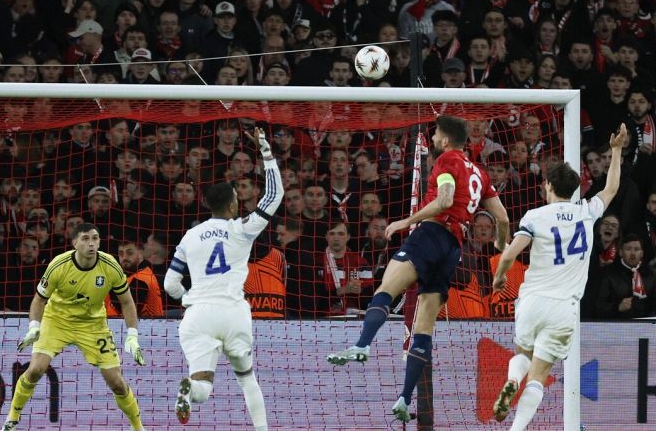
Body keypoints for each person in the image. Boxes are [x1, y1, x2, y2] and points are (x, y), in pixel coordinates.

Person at [327, 115, 509, 422]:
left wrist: (406, 221)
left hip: (431, 234)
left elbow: (445, 200)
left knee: (386, 289)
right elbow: (502, 218)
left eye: (436, 134)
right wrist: (501, 248)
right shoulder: (480, 172)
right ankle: (404, 398)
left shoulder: (447, 160)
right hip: (453, 249)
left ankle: (362, 345)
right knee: (424, 326)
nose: (433, 138)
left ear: (446, 140)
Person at [490, 123, 628, 430]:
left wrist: (499, 277)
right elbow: (611, 189)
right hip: (564, 308)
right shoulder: (586, 212)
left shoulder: (535, 216)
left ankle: (512, 379)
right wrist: (616, 150)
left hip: (533, 300)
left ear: (549, 186)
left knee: (523, 355)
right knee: (539, 376)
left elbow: (510, 254)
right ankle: (515, 429)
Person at [163, 127, 283, 430]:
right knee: (247, 378)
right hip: (232, 312)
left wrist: (188, 298)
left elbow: (169, 284)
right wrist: (266, 152)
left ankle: (189, 390)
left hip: (198, 315)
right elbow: (274, 196)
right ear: (232, 205)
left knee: (202, 388)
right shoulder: (241, 228)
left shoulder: (190, 236)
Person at [0, 223, 146, 431]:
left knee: (116, 382)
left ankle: (138, 427)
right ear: (75, 243)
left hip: (93, 325)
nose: (91, 243)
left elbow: (127, 302)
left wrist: (132, 335)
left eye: (95, 238)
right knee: (35, 370)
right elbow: (39, 300)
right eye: (85, 239)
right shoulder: (59, 265)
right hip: (57, 321)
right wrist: (34, 326)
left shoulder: (110, 266)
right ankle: (12, 419)